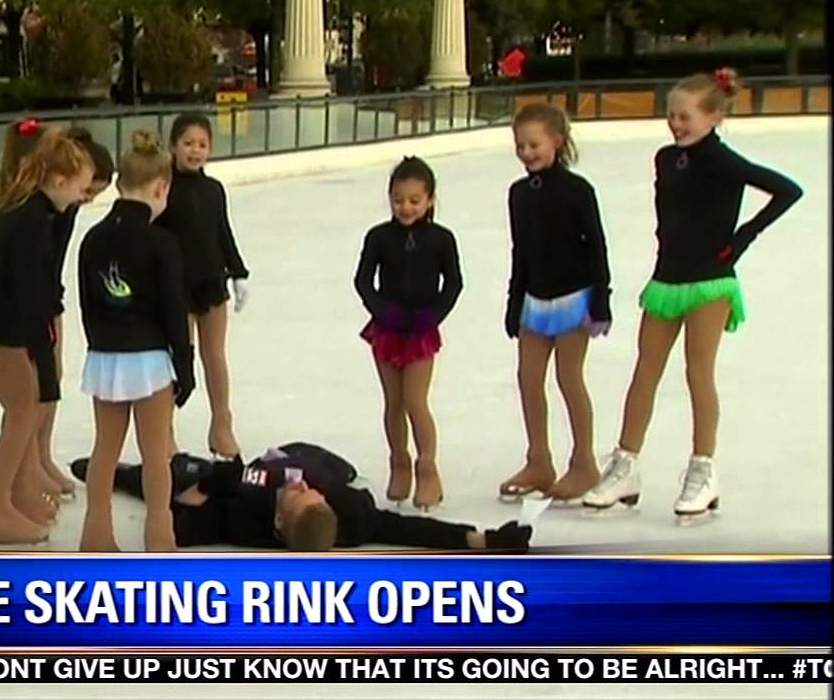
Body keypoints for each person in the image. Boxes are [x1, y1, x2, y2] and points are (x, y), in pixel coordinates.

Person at [582, 68, 803, 523]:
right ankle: (625, 465)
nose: (676, 124)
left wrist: (741, 240)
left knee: (697, 371)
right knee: (645, 370)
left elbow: (787, 191)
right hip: (667, 279)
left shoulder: (722, 161)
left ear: (714, 116)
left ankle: (703, 470)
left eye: (685, 116)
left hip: (709, 280)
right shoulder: (665, 159)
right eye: (672, 115)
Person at [0, 127, 96, 545]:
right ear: (59, 181)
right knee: (23, 410)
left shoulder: (36, 210)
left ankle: (16, 492)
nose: (84, 197)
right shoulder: (32, 220)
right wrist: (46, 369)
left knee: (23, 409)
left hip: (2, 327)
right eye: (83, 189)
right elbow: (33, 299)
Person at [69, 443, 532, 552]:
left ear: (278, 523)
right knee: (315, 464)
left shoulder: (242, 519)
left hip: (246, 478)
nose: (302, 492)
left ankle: (115, 474)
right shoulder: (350, 514)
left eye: (298, 498)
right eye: (309, 497)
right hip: (303, 460)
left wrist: (208, 486)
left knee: (180, 471)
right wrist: (484, 539)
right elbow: (411, 528)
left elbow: (178, 516)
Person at [76, 130, 196, 552]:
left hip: (105, 356)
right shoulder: (161, 243)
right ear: (161, 187)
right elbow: (173, 312)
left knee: (104, 450)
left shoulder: (92, 238)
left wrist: (99, 347)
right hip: (148, 361)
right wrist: (185, 368)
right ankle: (159, 535)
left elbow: (87, 303)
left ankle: (96, 534)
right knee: (156, 452)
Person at [499, 103, 612, 505]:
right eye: (520, 145)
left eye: (534, 144)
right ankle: (539, 460)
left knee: (568, 378)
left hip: (573, 298)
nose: (527, 152)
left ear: (557, 142)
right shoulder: (518, 195)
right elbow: (521, 251)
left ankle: (583, 462)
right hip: (535, 299)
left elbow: (597, 246)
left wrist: (601, 298)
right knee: (528, 378)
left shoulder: (577, 191)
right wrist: (515, 301)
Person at [353, 156, 462, 510]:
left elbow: (454, 283)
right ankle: (399, 461)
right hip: (388, 328)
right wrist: (381, 309)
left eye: (415, 200)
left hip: (420, 331)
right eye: (399, 199)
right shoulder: (379, 237)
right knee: (394, 402)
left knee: (415, 401)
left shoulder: (442, 239)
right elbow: (363, 280)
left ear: (430, 199)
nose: (406, 207)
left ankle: (427, 468)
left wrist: (433, 316)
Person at [154, 114, 250, 462]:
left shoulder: (214, 190)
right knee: (176, 360)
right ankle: (163, 431)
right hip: (174, 287)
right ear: (173, 146)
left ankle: (221, 424)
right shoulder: (163, 187)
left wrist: (238, 272)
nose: (195, 151)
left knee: (215, 358)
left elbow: (223, 232)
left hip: (211, 282)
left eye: (202, 144)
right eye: (188, 143)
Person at [36, 127, 117, 498]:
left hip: (50, 298)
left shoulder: (66, 207)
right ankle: (29, 464)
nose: (86, 199)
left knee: (52, 379)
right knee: (35, 387)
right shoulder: (45, 208)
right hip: (33, 304)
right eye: (87, 191)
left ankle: (41, 456)